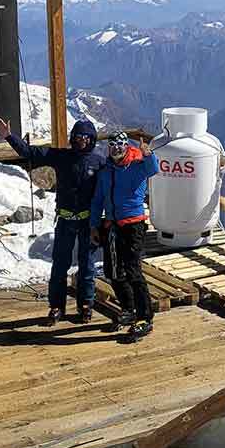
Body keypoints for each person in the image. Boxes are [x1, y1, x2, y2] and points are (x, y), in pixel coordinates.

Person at [0, 115, 106, 324]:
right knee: (60, 265)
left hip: (88, 222)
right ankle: (56, 306)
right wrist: (9, 137)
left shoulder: (99, 161)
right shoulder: (61, 156)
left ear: (92, 139)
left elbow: (113, 184)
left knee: (87, 266)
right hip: (65, 220)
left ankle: (85, 305)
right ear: (73, 138)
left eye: (86, 137)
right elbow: (31, 152)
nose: (82, 140)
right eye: (78, 136)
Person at [89, 133, 160, 342]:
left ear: (125, 146)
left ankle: (145, 317)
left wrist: (149, 154)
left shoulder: (138, 165)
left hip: (133, 224)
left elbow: (153, 169)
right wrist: (94, 225)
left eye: (119, 145)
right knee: (112, 271)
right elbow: (98, 200)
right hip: (112, 225)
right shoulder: (106, 172)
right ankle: (128, 308)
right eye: (112, 145)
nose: (116, 149)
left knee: (133, 271)